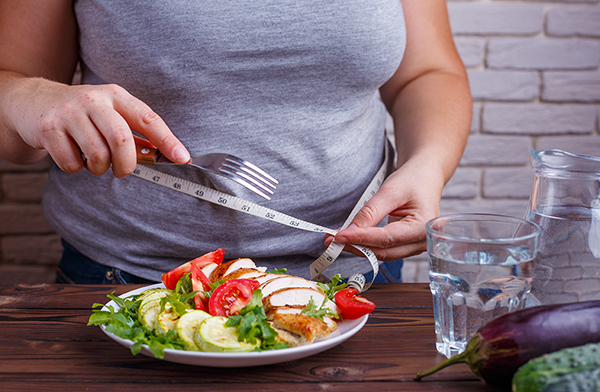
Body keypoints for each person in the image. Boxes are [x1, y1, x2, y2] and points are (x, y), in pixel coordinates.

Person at [0, 0, 471, 284]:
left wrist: (429, 164)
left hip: (354, 275)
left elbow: (427, 72)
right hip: (128, 278)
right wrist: (29, 96)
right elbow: (14, 122)